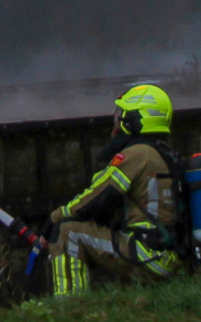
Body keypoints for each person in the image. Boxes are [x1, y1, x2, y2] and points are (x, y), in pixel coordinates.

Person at [41, 83, 184, 294]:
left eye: (122, 115)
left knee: (67, 230)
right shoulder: (162, 153)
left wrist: (54, 218)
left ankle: (69, 309)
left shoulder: (137, 154)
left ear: (136, 118)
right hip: (170, 257)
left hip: (149, 256)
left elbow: (96, 197)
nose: (116, 122)